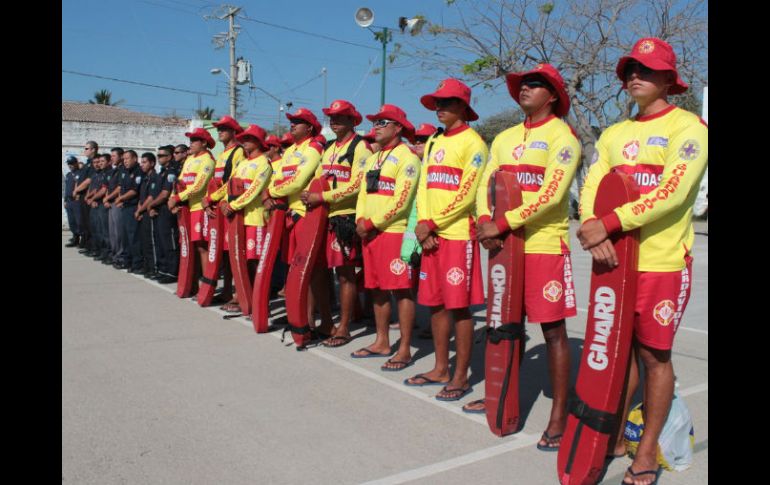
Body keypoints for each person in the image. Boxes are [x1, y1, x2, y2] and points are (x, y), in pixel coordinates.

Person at [576, 37, 707, 485]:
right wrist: (594, 229)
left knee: (654, 357)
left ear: (669, 80)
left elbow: (672, 193)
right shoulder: (614, 133)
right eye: (631, 69)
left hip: (662, 264)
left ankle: (646, 451)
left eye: (647, 70)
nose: (635, 76)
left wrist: (606, 222)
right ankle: (612, 437)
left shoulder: (690, 128)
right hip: (613, 263)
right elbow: (593, 183)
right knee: (617, 353)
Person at [474, 63, 582, 451]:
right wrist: (484, 219)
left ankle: (560, 414)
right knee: (506, 325)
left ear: (552, 95)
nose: (525, 89)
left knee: (552, 332)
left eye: (535, 85)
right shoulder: (503, 137)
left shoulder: (563, 137)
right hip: (504, 247)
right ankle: (501, 394)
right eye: (522, 84)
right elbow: (484, 185)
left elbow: (552, 194)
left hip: (543, 246)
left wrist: (501, 224)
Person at [404, 78, 488, 402]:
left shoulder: (474, 144)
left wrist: (434, 224)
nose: (440, 108)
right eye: (437, 103)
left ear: (463, 108)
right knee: (436, 304)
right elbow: (424, 185)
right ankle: (440, 367)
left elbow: (468, 193)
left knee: (459, 307)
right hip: (431, 236)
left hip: (456, 237)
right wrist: (424, 224)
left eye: (447, 103)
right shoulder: (435, 142)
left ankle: (461, 375)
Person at [351, 104, 421, 369]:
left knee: (402, 290)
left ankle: (404, 348)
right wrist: (360, 219)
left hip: (393, 232)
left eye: (382, 123)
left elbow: (402, 200)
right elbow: (362, 193)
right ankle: (382, 341)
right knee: (377, 288)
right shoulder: (373, 157)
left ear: (398, 127)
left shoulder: (408, 157)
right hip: (369, 233)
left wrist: (372, 222)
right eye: (375, 122)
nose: (376, 127)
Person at [301, 100, 373, 347]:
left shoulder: (361, 147)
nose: (334, 121)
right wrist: (310, 194)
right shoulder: (329, 147)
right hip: (322, 217)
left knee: (345, 274)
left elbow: (357, 185)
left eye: (340, 117)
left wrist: (322, 196)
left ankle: (344, 327)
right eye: (331, 116)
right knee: (318, 270)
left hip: (345, 218)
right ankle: (326, 322)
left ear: (353, 120)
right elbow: (320, 177)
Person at [262, 108, 327, 336]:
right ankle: (295, 315)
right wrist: (271, 193)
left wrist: (271, 192)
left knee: (307, 269)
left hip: (306, 214)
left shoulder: (313, 149)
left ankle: (307, 320)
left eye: (298, 122)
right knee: (293, 267)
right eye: (292, 121)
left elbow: (297, 182)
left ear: (309, 128)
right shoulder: (290, 150)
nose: (292, 125)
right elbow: (279, 177)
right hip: (288, 215)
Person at [220, 124, 273, 282]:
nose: (245, 141)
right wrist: (223, 201)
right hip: (238, 218)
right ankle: (243, 297)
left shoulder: (264, 163)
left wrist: (232, 206)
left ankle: (258, 298)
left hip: (255, 219)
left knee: (254, 261)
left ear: (259, 141)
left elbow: (254, 191)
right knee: (239, 259)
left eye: (250, 138)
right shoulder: (242, 163)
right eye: (244, 138)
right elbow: (229, 185)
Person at [204, 115, 246, 310]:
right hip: (219, 207)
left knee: (236, 253)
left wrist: (213, 198)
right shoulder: (221, 154)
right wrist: (209, 200)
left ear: (233, 131)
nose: (219, 131)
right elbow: (214, 182)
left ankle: (240, 294)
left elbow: (232, 182)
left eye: (223, 128)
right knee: (225, 253)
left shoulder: (238, 152)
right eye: (218, 129)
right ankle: (228, 290)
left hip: (232, 208)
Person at [168, 128, 217, 293]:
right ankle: (191, 284)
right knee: (189, 247)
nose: (191, 143)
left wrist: (177, 198)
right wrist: (173, 197)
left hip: (199, 209)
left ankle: (206, 285)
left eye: (195, 140)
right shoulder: (189, 159)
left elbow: (199, 186)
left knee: (202, 247)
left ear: (204, 143)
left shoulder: (208, 160)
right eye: (191, 139)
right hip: (186, 208)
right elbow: (180, 181)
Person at [147, 145, 180, 283]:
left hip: (167, 212)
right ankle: (163, 269)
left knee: (169, 242)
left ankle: (172, 272)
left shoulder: (171, 172)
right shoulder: (161, 172)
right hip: (158, 211)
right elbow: (155, 194)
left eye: (161, 156)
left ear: (169, 157)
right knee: (160, 241)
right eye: (158, 155)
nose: (159, 158)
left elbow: (165, 194)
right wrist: (152, 207)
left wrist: (151, 205)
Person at [135, 152, 161, 276]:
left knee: (151, 242)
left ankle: (154, 267)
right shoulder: (145, 178)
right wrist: (139, 209)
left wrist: (140, 210)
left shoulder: (155, 177)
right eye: (141, 162)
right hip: (143, 212)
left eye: (145, 162)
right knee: (144, 241)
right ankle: (147, 266)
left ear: (152, 163)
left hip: (149, 212)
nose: (142, 165)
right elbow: (142, 197)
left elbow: (151, 197)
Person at [73, 141, 99, 251]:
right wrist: (77, 191)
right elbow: (80, 179)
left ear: (93, 149)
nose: (85, 150)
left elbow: (89, 180)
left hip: (89, 196)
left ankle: (92, 246)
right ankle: (87, 244)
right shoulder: (87, 162)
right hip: (82, 196)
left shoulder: (95, 162)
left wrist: (77, 190)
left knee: (90, 223)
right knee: (84, 222)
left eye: (87, 148)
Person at [103, 148, 125, 264]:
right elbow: (108, 187)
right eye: (111, 156)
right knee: (112, 232)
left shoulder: (122, 170)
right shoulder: (113, 170)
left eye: (114, 156)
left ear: (121, 156)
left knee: (119, 231)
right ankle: (114, 253)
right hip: (111, 202)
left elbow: (119, 187)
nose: (111, 158)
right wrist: (106, 199)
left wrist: (108, 197)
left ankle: (120, 256)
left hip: (117, 202)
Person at [64, 156, 81, 247]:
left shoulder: (80, 173)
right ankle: (75, 238)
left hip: (77, 201)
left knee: (79, 221)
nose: (70, 165)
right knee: (71, 221)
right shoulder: (68, 175)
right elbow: (66, 189)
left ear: (76, 163)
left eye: (72, 163)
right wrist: (65, 200)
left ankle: (84, 240)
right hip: (69, 201)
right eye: (68, 164)